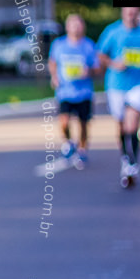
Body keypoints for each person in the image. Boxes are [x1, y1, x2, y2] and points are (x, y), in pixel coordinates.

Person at [97, 7, 140, 185]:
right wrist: (114, 64)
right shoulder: (113, 31)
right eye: (128, 10)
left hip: (137, 85)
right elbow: (100, 55)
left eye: (134, 10)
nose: (131, 13)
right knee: (122, 124)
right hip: (116, 85)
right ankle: (126, 157)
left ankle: (132, 161)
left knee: (132, 121)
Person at [47, 14, 97, 169]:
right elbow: (52, 62)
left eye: (78, 24)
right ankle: (69, 142)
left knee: (83, 123)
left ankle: (82, 150)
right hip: (65, 91)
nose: (75, 27)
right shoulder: (59, 45)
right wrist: (54, 77)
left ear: (82, 27)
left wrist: (88, 72)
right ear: (67, 27)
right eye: (72, 24)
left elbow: (97, 68)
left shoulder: (88, 45)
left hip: (84, 92)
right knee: (64, 121)